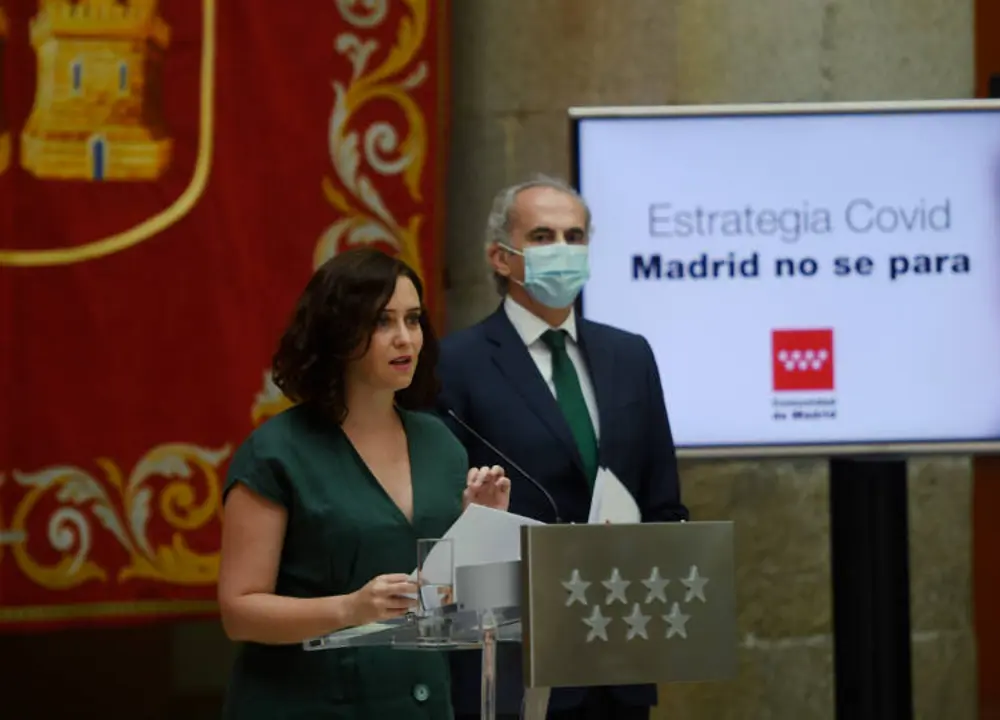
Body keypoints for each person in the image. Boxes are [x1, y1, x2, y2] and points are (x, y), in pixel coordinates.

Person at [217, 248, 512, 719]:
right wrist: (349, 608)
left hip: (422, 702)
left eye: (413, 320)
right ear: (337, 334)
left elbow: (447, 603)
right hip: (307, 705)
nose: (405, 339)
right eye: (382, 322)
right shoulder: (276, 452)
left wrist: (485, 526)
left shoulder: (440, 443)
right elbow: (239, 612)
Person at [438, 175, 689, 720]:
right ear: (501, 258)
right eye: (543, 235)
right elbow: (446, 518)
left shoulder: (630, 355)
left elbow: (663, 501)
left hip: (619, 648)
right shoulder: (456, 364)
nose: (563, 251)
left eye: (575, 237)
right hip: (515, 655)